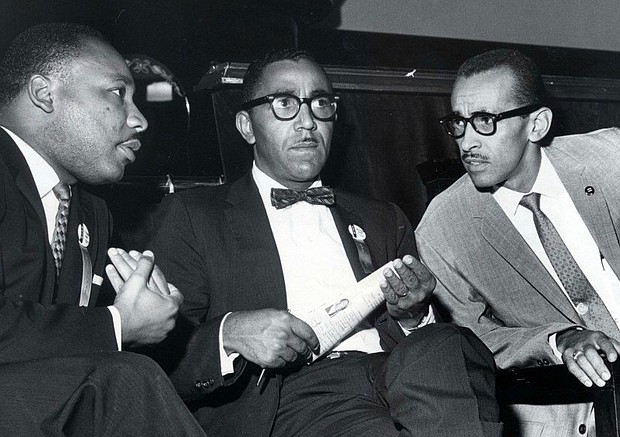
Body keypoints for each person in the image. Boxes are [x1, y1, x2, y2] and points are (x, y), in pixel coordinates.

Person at [149, 48, 502, 437]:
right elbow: (159, 357)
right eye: (285, 103)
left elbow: (421, 347)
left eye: (320, 104)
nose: (307, 123)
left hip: (401, 374)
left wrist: (412, 317)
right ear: (246, 126)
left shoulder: (383, 217)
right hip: (292, 394)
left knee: (447, 342)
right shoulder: (193, 214)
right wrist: (230, 334)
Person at [0, 22, 206, 436]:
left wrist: (142, 315)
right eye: (117, 92)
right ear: (44, 94)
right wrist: (117, 324)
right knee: (125, 379)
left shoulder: (91, 211)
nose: (140, 118)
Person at [416, 48, 620, 436]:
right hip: (568, 408)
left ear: (537, 124)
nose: (466, 143)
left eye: (484, 121)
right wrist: (559, 340)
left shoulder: (612, 159)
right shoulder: (442, 228)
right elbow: (473, 339)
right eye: (458, 123)